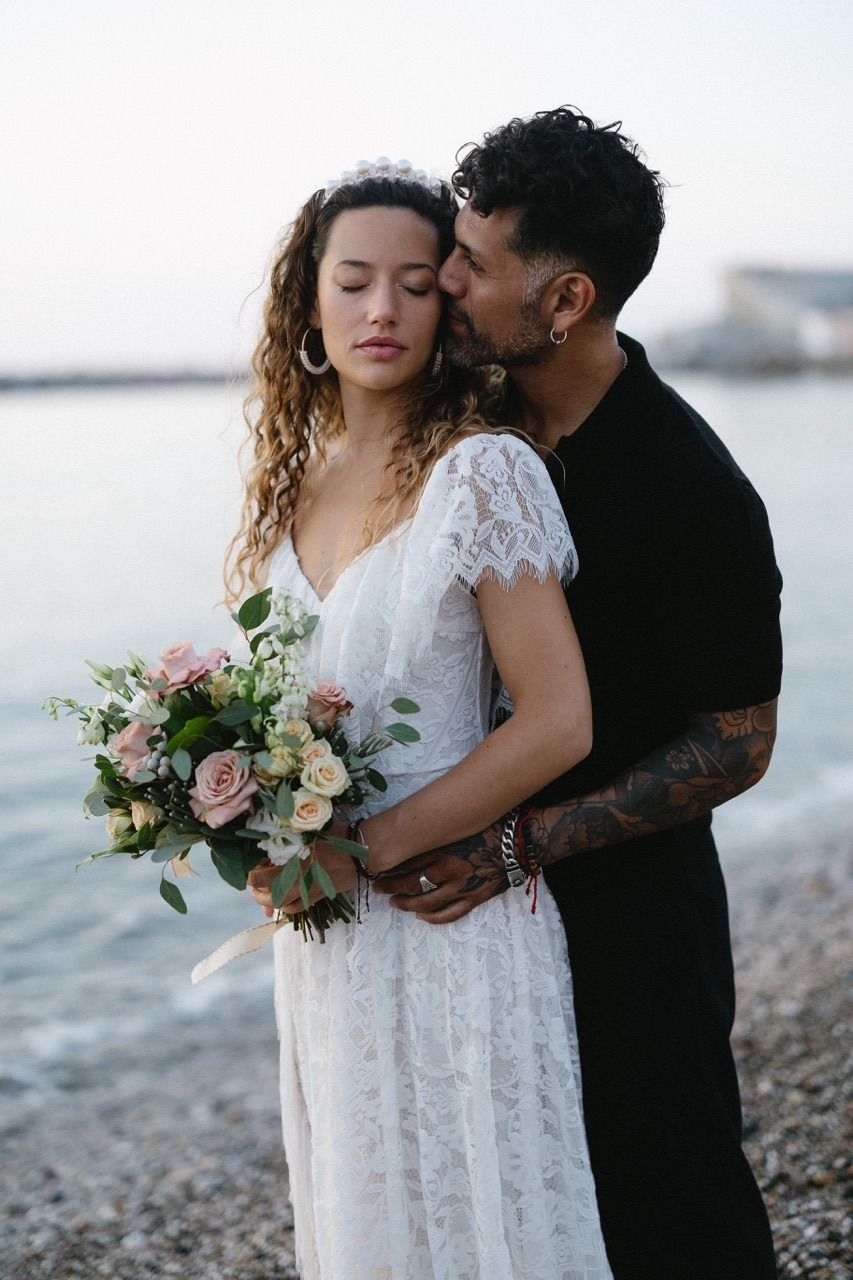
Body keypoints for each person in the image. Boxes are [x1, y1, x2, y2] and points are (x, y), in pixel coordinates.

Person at [368, 110, 783, 1279]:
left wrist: (524, 841)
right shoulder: (470, 427)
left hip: (631, 919)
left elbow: (737, 742)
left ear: (566, 302)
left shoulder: (695, 492)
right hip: (466, 908)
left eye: (474, 263)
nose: (444, 281)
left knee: (671, 1199)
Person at [237, 161, 614, 1278]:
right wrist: (238, 817)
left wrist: (365, 850)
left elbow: (557, 722)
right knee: (371, 1216)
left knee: (486, 1217)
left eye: (413, 282)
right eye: (352, 281)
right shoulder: (293, 484)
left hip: (452, 919)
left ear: (449, 303)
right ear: (309, 303)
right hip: (332, 940)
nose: (381, 310)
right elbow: (280, 718)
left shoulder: (483, 470)